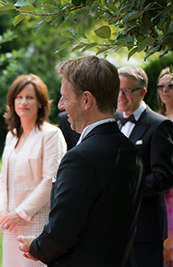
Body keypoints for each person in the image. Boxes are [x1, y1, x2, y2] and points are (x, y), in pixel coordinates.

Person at [17, 56, 144, 266]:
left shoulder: (80, 158)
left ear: (86, 100)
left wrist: (37, 247)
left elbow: (61, 235)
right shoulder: (129, 149)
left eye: (65, 97)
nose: (59, 106)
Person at [0, 74, 67, 267]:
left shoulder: (51, 135)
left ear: (41, 103)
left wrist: (19, 212)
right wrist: (2, 210)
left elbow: (50, 181)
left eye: (30, 97)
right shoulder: (12, 136)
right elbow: (3, 179)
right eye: (19, 97)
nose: (23, 102)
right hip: (10, 224)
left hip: (37, 222)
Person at [115, 66, 173, 267]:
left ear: (143, 92)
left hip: (145, 227)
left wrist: (126, 190)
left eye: (127, 91)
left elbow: (164, 176)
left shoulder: (159, 125)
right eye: (118, 89)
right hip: (113, 227)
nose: (120, 96)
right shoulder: (112, 121)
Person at [156, 67, 173, 266]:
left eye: (170, 85)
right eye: (161, 86)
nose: (165, 90)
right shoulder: (156, 119)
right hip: (162, 191)